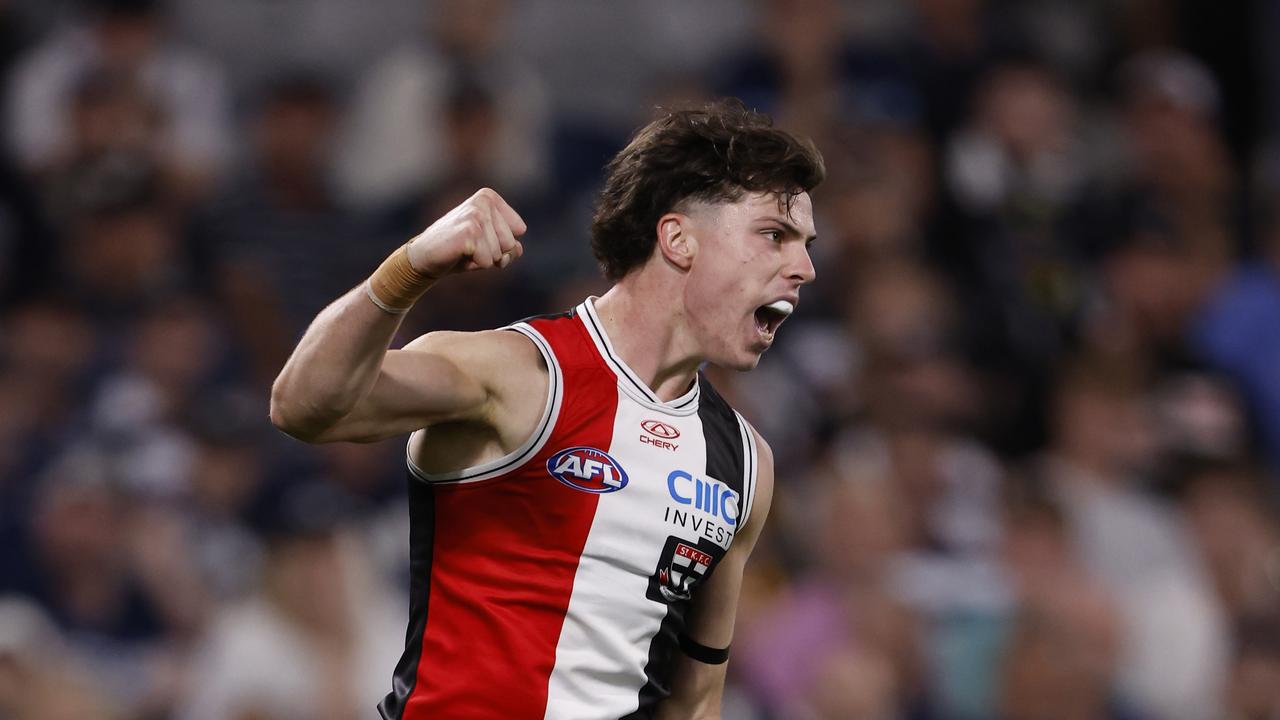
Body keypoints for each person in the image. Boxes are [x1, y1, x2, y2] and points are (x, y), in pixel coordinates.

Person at [269, 100, 824, 719]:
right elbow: (301, 405)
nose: (803, 267)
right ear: (678, 239)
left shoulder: (746, 464)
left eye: (804, 244)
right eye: (774, 235)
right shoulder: (519, 373)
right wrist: (409, 270)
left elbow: (695, 697)